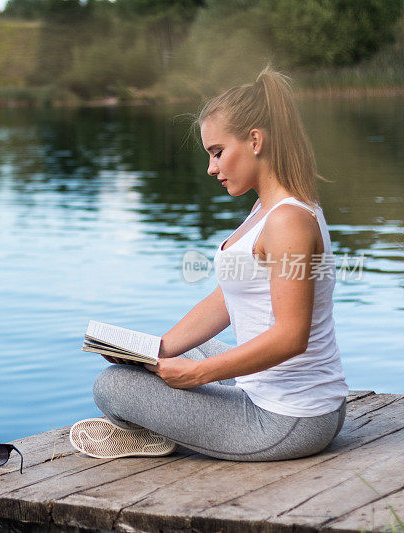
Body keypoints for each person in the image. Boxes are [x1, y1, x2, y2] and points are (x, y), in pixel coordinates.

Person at [69, 67, 349, 462]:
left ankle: (157, 431)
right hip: (293, 404)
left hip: (287, 421)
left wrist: (198, 376)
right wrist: (155, 350)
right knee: (178, 357)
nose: (211, 168)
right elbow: (226, 298)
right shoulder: (267, 208)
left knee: (112, 387)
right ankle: (165, 422)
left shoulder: (287, 220)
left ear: (255, 140)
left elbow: (292, 337)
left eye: (218, 152)